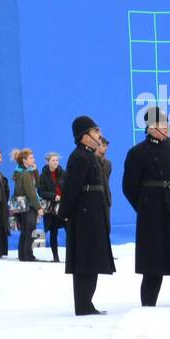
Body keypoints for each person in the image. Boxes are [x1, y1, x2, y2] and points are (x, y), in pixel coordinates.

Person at [122, 106, 170, 307]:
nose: (168, 129)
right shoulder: (137, 152)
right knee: (153, 257)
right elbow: (129, 187)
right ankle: (148, 302)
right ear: (152, 128)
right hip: (152, 209)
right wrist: (145, 208)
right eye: (164, 125)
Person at [59, 116, 115, 314]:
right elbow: (71, 189)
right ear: (84, 137)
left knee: (92, 260)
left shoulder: (90, 156)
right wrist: (62, 215)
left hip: (93, 214)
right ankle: (83, 305)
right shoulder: (79, 157)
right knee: (85, 261)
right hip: (84, 217)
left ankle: (87, 303)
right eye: (95, 131)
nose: (99, 135)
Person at [10, 148, 43, 262]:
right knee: (30, 230)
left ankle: (23, 255)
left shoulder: (25, 172)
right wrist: (38, 208)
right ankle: (28, 256)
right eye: (31, 157)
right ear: (24, 160)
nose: (34, 159)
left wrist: (35, 170)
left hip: (23, 206)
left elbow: (37, 184)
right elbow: (31, 192)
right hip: (29, 206)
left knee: (25, 231)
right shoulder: (26, 174)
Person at [38, 152, 66, 262]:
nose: (55, 162)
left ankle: (71, 255)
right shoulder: (43, 175)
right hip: (51, 207)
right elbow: (41, 192)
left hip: (63, 206)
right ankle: (55, 256)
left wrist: (64, 197)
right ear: (48, 162)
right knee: (53, 231)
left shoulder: (63, 173)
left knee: (69, 228)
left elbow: (68, 186)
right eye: (53, 160)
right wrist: (54, 196)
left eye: (57, 160)